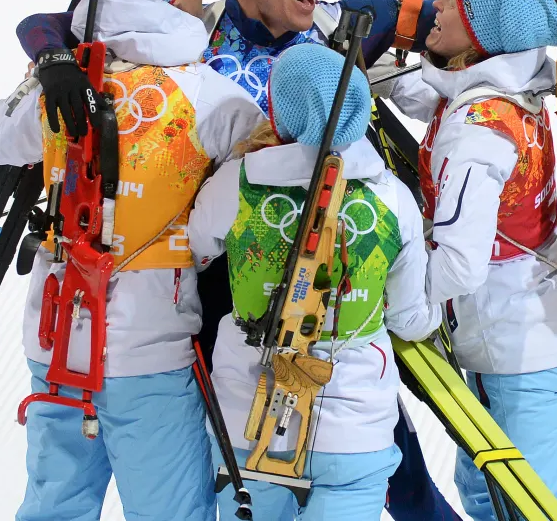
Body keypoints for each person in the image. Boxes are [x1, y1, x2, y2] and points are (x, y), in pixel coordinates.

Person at [10, 0, 557, 521]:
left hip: (341, 269)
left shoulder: (334, 26)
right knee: (232, 457)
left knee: (382, 451)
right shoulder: (187, 33)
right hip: (219, 284)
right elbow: (67, 17)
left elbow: (473, 14)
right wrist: (50, 55)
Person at [0, 0, 264, 521]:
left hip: (55, 340)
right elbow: (259, 183)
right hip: (150, 350)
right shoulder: (212, 98)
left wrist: (43, 66)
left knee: (54, 505)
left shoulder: (67, 81)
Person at [187, 43, 442, 520]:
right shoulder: (393, 201)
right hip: (355, 432)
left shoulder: (236, 183)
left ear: (279, 111)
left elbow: (199, 248)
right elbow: (409, 320)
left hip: (247, 422)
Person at [384, 0, 557, 521]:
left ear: (480, 32)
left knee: (538, 505)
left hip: (511, 345)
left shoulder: (476, 129)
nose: (437, 8)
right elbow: (433, 98)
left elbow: (458, 264)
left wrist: (403, 307)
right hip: (508, 333)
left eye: (452, 2)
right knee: (487, 494)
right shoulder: (508, 92)